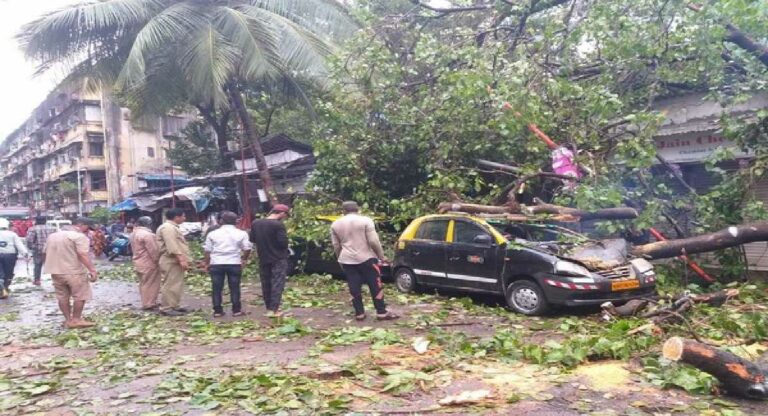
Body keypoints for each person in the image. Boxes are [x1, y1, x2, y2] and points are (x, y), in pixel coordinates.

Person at [331, 201, 398, 321]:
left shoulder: (335, 224)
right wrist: (381, 256)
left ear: (343, 211)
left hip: (347, 260)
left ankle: (359, 313)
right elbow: (373, 241)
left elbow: (336, 246)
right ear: (358, 209)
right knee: (375, 284)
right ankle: (381, 312)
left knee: (354, 285)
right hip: (367, 257)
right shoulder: (366, 221)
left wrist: (339, 259)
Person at [43, 218, 99, 328]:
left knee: (62, 297)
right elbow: (82, 254)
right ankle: (76, 320)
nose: (87, 231)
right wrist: (92, 270)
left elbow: (44, 253)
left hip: (56, 272)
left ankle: (68, 320)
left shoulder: (52, 236)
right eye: (87, 228)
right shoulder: (79, 237)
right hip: (74, 271)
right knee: (80, 295)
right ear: (82, 225)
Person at [203, 211, 252, 317]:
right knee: (234, 287)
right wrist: (244, 259)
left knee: (216, 287)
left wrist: (207, 263)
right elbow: (247, 248)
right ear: (236, 221)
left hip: (216, 263)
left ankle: (217, 311)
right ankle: (236, 310)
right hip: (234, 262)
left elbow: (207, 250)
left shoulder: (212, 234)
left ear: (221, 221)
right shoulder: (242, 233)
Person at [250, 204, 291, 317]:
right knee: (277, 282)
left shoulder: (256, 223)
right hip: (278, 258)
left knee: (266, 282)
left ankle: (269, 307)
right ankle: (275, 309)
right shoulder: (278, 225)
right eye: (286, 215)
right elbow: (283, 243)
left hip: (263, 257)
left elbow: (252, 239)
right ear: (282, 213)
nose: (285, 217)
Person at [156, 208, 191, 316]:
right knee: (170, 284)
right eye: (183, 216)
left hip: (173, 260)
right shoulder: (168, 228)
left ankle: (175, 305)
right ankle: (166, 307)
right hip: (170, 259)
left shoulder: (171, 227)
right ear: (177, 217)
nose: (184, 218)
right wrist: (181, 259)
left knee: (176, 284)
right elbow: (172, 245)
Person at [130, 216, 161, 310]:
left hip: (138, 261)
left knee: (143, 283)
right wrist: (158, 261)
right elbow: (154, 250)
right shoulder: (148, 235)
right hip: (148, 263)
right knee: (151, 283)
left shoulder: (134, 233)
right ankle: (149, 303)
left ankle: (145, 302)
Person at [0, 218, 29, 299]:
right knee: (8, 273)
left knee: (0, 274)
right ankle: (5, 288)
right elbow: (19, 245)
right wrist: (25, 254)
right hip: (10, 256)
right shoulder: (12, 234)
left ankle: (1, 287)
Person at [26, 216, 56, 286]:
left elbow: (29, 240)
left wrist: (31, 247)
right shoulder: (52, 228)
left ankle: (37, 280)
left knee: (37, 265)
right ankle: (55, 280)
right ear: (45, 221)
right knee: (53, 265)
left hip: (38, 249)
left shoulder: (33, 229)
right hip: (50, 249)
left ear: (36, 221)